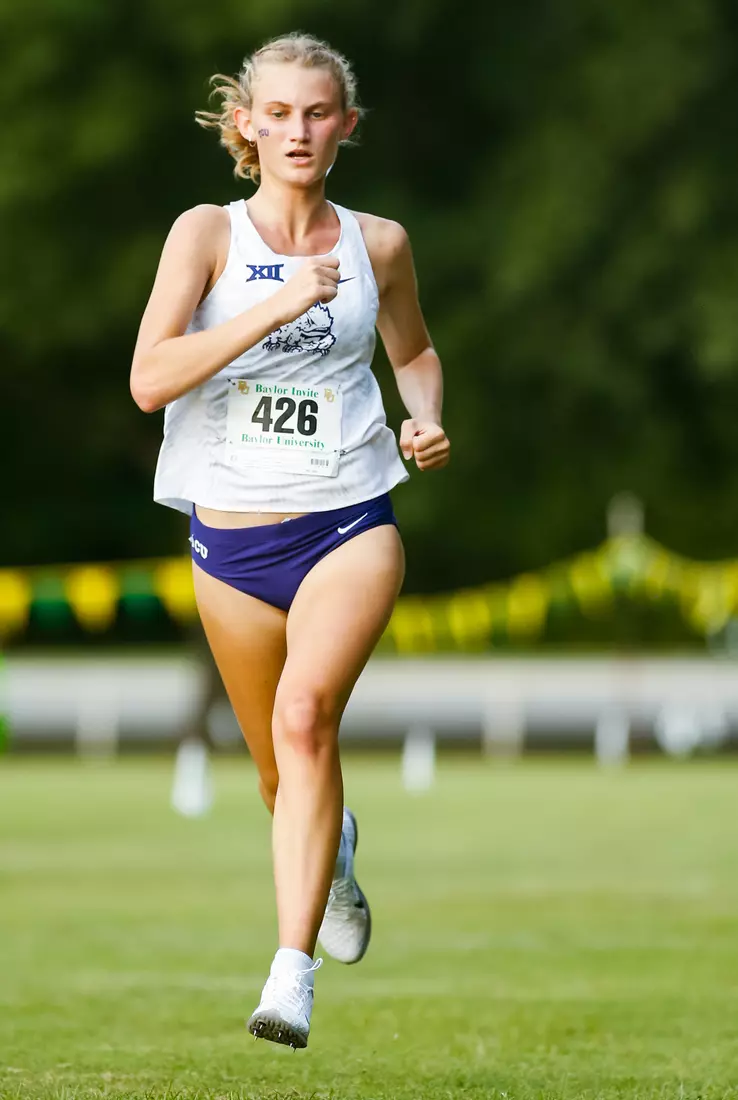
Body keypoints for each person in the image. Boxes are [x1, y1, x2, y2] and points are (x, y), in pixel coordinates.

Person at [129, 31, 450, 1050]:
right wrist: (273, 305)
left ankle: (289, 972)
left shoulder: (380, 244)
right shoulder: (207, 235)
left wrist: (424, 414)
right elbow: (150, 379)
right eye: (279, 113)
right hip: (230, 538)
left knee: (309, 720)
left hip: (350, 514)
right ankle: (336, 851)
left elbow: (417, 351)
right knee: (279, 772)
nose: (299, 131)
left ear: (345, 127)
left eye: (319, 113)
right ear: (246, 126)